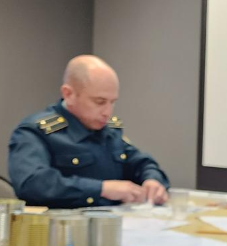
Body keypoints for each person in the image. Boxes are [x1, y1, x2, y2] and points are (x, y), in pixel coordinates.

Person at [8, 55, 169, 208]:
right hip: (60, 230)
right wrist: (102, 189)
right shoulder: (36, 132)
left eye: (112, 102)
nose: (108, 111)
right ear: (68, 94)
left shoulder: (109, 130)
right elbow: (33, 183)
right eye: (99, 102)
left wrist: (152, 180)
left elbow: (141, 163)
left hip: (114, 226)